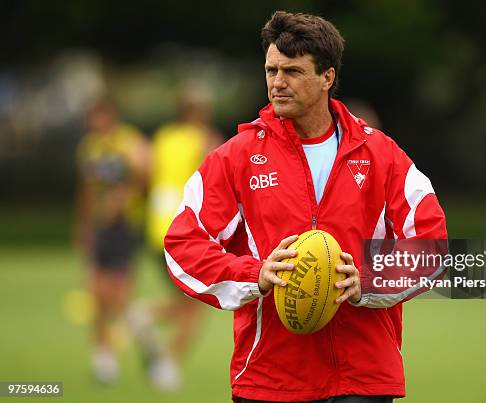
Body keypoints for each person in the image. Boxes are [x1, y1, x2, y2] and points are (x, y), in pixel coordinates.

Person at [163, 11, 447, 403]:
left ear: (327, 77)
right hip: (270, 377)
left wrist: (367, 277)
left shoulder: (382, 155)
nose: (277, 83)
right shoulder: (236, 158)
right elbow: (182, 244)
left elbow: (431, 246)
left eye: (292, 71)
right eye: (271, 70)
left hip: (362, 378)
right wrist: (254, 274)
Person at [133, 88, 223, 389]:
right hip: (183, 234)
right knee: (197, 304)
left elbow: (145, 175)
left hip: (155, 230)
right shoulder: (204, 140)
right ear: (199, 114)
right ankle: (167, 364)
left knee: (185, 299)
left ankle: (145, 318)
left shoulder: (162, 138)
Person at [74, 99, 149, 384]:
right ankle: (102, 356)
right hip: (100, 228)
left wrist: (125, 197)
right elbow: (86, 190)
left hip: (124, 228)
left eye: (100, 117)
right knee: (95, 294)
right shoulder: (89, 147)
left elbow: (143, 176)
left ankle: (143, 348)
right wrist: (83, 225)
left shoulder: (129, 142)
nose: (95, 124)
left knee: (120, 299)